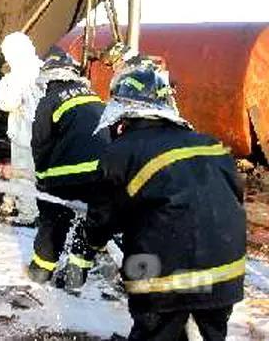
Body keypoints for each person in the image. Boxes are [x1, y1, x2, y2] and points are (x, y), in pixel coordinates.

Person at [85, 58, 245, 340]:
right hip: (224, 274)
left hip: (162, 279)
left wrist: (92, 242)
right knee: (209, 333)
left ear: (123, 115)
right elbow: (234, 195)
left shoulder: (121, 152)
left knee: (156, 331)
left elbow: (103, 215)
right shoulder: (210, 144)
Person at [27, 45, 111, 285]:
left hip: (66, 175)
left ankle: (40, 271)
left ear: (48, 77)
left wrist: (41, 181)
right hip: (103, 173)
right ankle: (76, 276)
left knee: (53, 219)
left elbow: (41, 143)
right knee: (88, 221)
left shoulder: (50, 100)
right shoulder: (94, 97)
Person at [0, 32, 44, 220]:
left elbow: (8, 103)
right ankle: (9, 202)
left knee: (23, 174)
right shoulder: (41, 69)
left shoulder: (17, 76)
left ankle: (28, 215)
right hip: (41, 133)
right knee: (29, 172)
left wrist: (4, 83)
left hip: (24, 133)